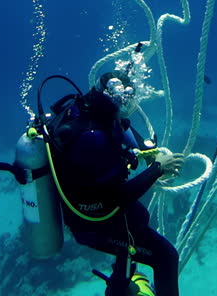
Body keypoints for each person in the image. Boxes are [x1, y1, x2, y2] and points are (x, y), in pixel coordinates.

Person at [46, 72, 184, 296]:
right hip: (93, 225)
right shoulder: (94, 138)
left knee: (138, 220)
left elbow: (123, 125)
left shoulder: (85, 108)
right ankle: (119, 286)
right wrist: (158, 168)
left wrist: (145, 149)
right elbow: (119, 197)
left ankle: (121, 284)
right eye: (126, 102)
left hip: (93, 207)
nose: (129, 107)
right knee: (166, 256)